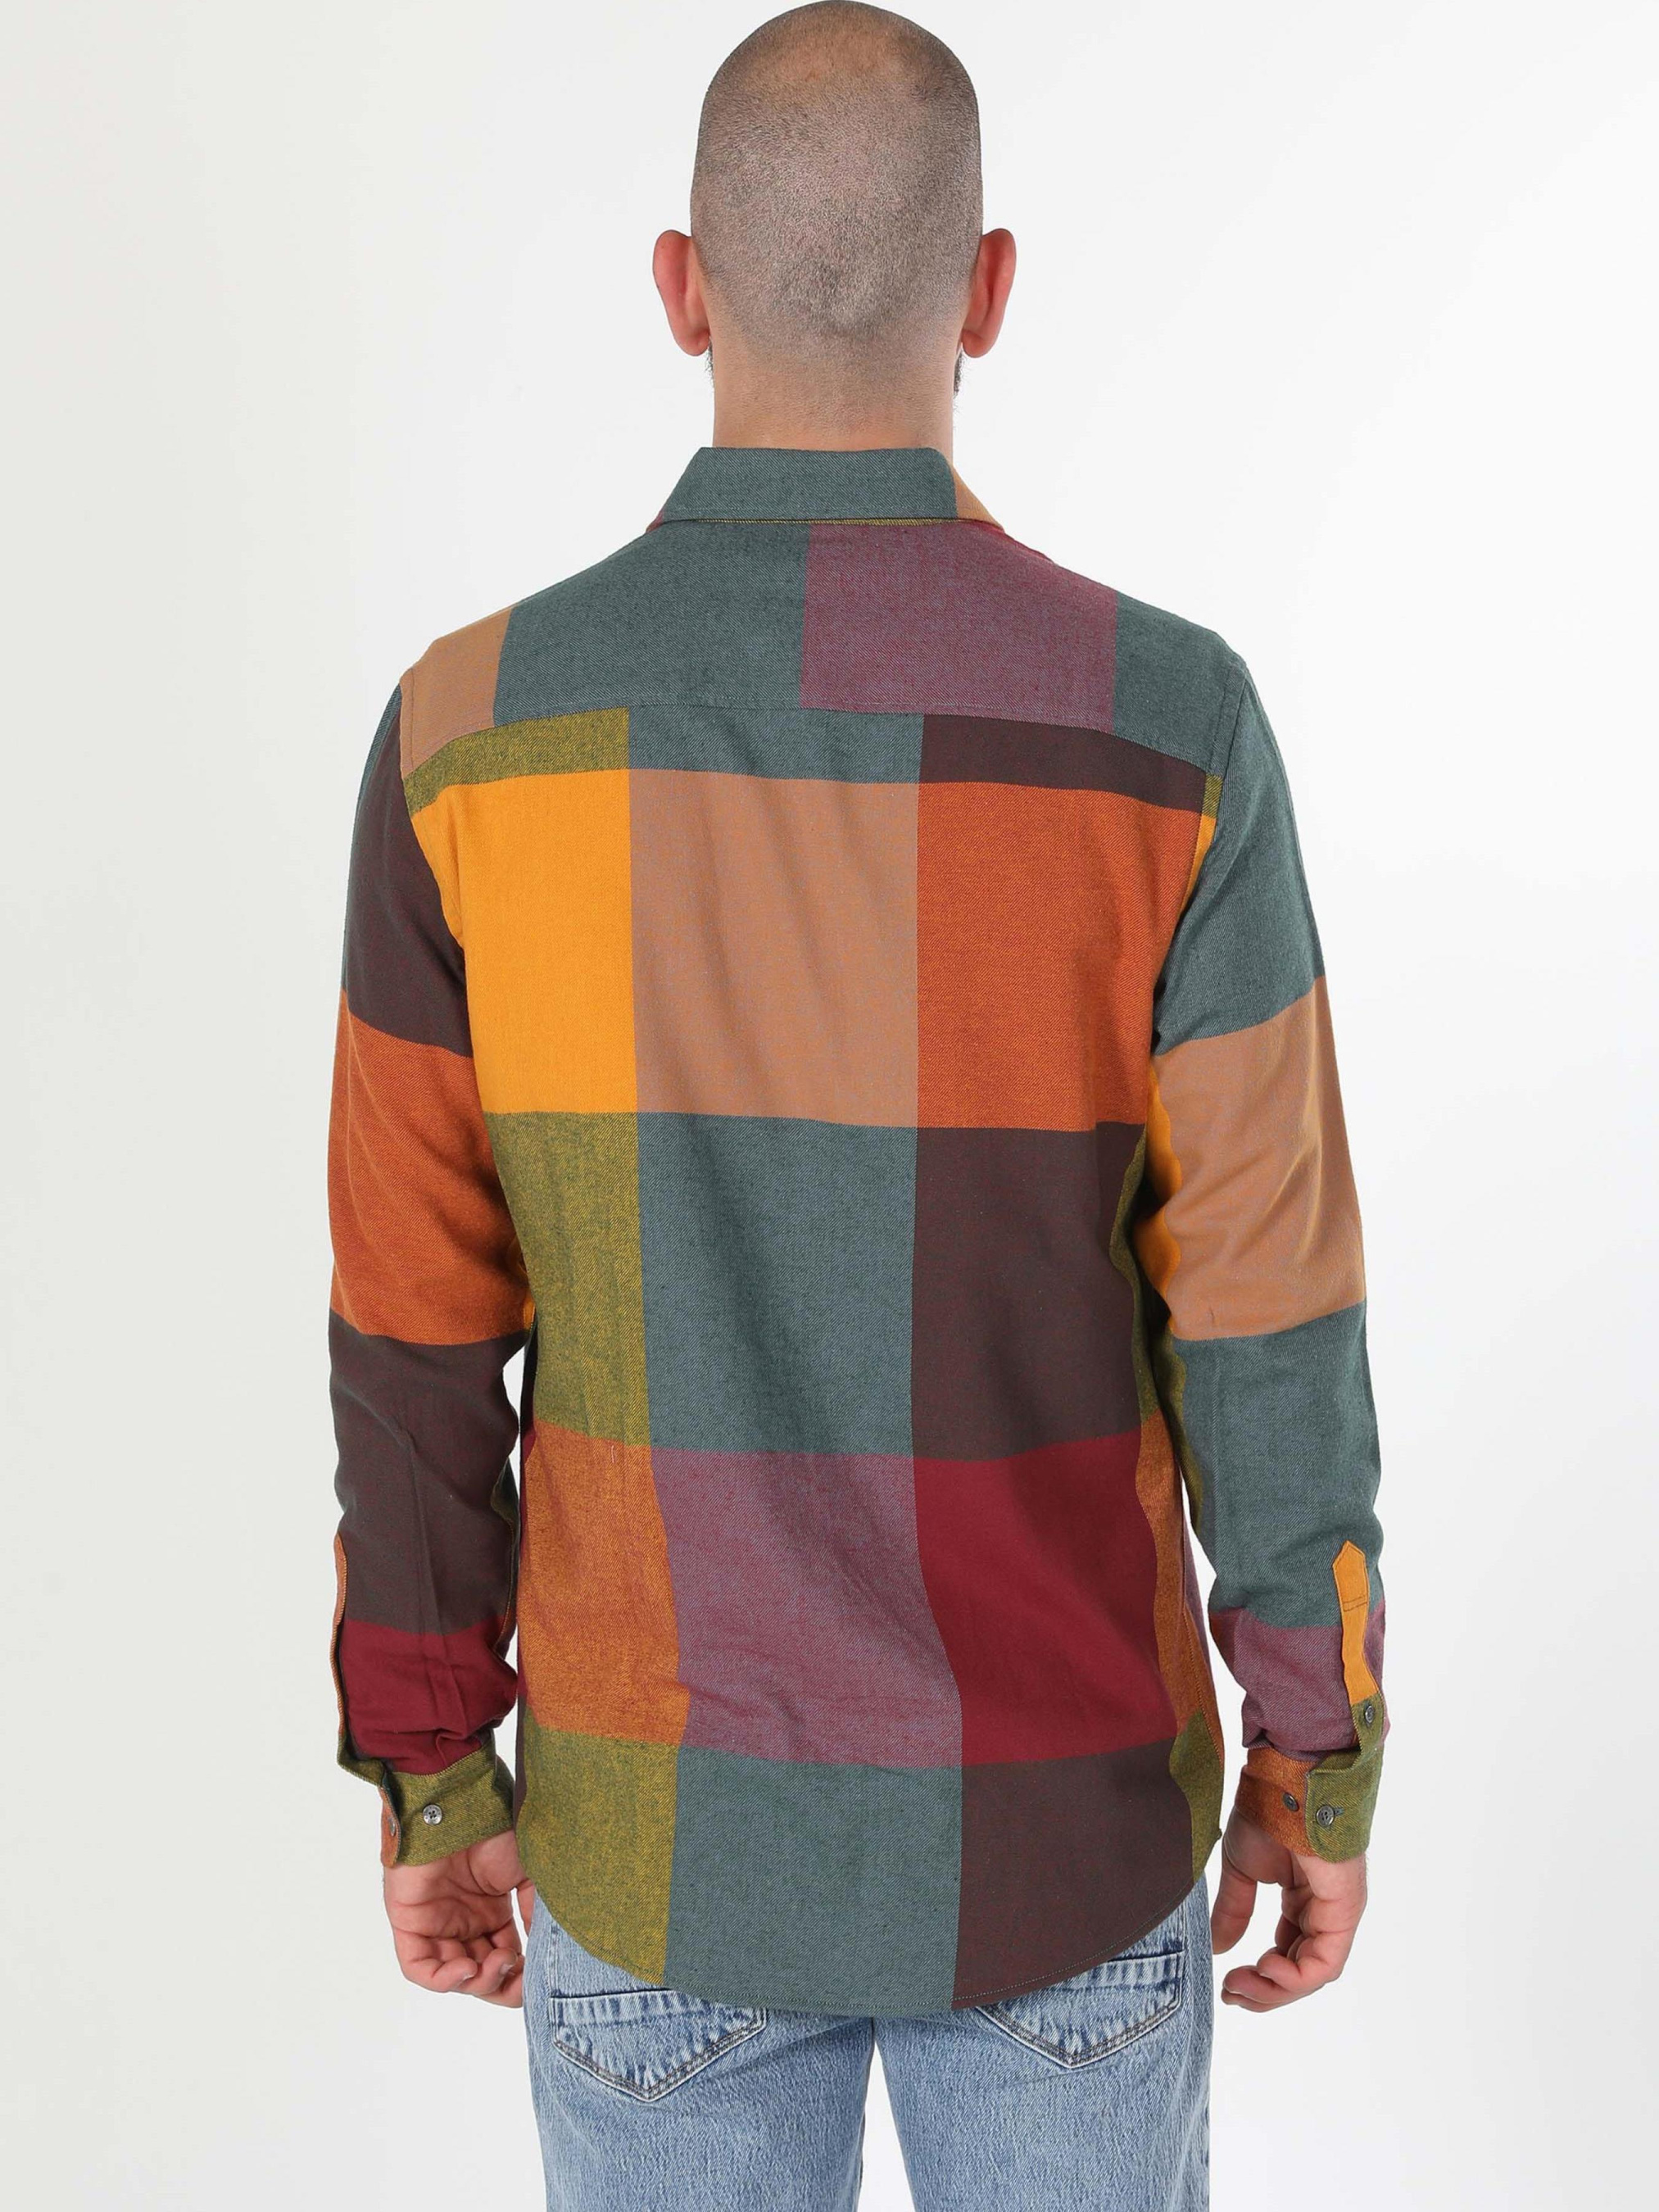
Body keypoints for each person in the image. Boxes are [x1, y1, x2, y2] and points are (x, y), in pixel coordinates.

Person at [325, 7, 1385, 2205]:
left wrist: (431, 1762)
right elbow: (1266, 1310)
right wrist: (1317, 1746)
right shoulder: (1168, 729)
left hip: (656, 1834)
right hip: (1063, 1832)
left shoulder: (467, 734)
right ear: (985, 291)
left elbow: (412, 1326)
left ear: (678, 287)